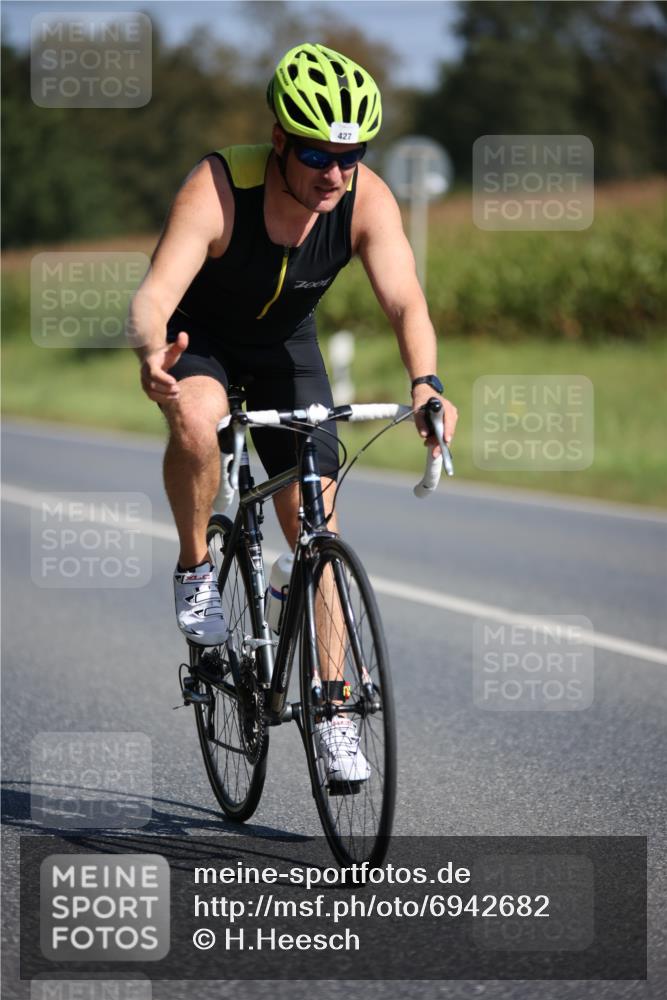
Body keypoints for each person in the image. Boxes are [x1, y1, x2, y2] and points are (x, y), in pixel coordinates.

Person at [129, 42, 458, 782]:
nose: (334, 174)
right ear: (279, 139)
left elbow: (405, 300)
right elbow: (154, 294)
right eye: (316, 155)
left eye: (350, 156)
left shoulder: (364, 198)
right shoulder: (219, 186)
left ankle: (333, 710)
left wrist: (426, 383)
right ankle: (194, 568)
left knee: (318, 526)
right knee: (197, 416)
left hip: (286, 348)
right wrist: (152, 352)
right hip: (200, 340)